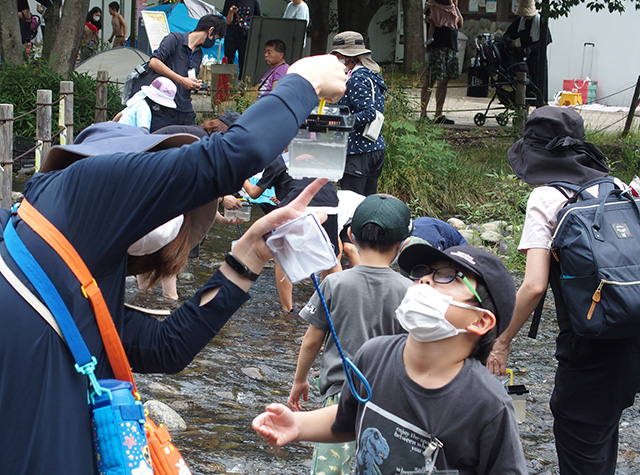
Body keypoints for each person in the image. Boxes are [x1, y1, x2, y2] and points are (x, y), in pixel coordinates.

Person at [1, 54, 347, 475]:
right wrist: (303, 82)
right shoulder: (73, 192)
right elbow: (236, 154)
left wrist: (248, 257)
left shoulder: (78, 273)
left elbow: (168, 347)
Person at [253, 244, 527, 474]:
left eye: (449, 276)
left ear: (480, 321)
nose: (425, 280)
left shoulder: (489, 405)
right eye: (424, 272)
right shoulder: (374, 355)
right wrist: (298, 425)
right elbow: (349, 420)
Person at [486, 107, 640, 475]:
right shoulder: (616, 186)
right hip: (632, 335)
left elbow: (535, 285)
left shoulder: (546, 198)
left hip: (586, 343)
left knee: (579, 438)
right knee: (603, 429)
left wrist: (503, 339)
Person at [288, 193, 413, 474]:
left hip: (338, 400)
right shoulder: (410, 291)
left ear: (350, 235)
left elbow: (311, 342)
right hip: (388, 403)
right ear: (401, 244)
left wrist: (300, 380)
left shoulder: (334, 283)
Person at [243, 151, 341, 313]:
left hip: (299, 205)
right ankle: (334, 305)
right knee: (331, 256)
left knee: (283, 256)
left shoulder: (278, 161)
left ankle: (287, 309)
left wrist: (242, 179)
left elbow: (254, 193)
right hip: (329, 202)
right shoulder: (317, 155)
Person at [330, 31, 387, 197]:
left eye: (338, 56)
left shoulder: (355, 79)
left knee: (352, 206)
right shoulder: (372, 75)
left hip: (358, 152)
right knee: (368, 206)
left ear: (348, 57)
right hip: (375, 147)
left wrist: (340, 122)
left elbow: (369, 112)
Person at [148, 14, 227, 132]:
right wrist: (181, 80)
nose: (214, 41)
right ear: (211, 31)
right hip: (165, 106)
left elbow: (189, 77)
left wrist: (194, 83)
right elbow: (154, 62)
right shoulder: (175, 39)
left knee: (191, 141)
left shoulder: (199, 53)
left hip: (185, 107)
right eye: (216, 37)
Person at [420, 0, 463, 124]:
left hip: (451, 45)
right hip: (437, 46)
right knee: (431, 79)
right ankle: (423, 113)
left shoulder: (452, 8)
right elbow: (433, 21)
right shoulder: (432, 5)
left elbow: (460, 24)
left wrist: (455, 7)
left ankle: (438, 114)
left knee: (444, 81)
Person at [504, 0, 552, 104]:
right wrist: (510, 43)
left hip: (538, 59)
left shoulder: (540, 21)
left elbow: (546, 40)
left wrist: (531, 49)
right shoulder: (520, 21)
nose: (525, 16)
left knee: (539, 87)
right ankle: (524, 108)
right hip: (524, 59)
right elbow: (507, 35)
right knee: (525, 86)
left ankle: (541, 105)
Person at [222, 0, 262, 78]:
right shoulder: (229, 1)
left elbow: (258, 19)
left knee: (244, 63)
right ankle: (227, 83)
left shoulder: (254, 2)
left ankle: (242, 84)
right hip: (231, 36)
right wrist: (231, 12)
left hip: (246, 36)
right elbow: (228, 21)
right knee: (228, 62)